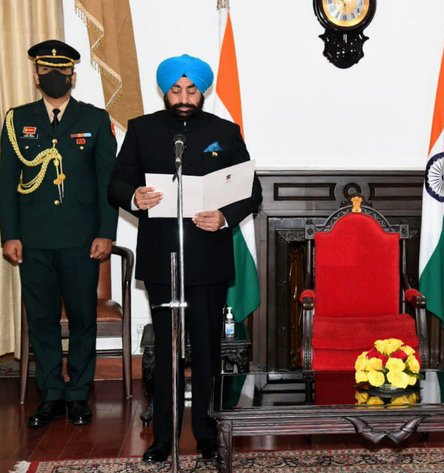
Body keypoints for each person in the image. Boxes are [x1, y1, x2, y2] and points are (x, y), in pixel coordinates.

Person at [108, 54, 262, 463]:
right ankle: (164, 439)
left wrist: (225, 216)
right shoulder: (142, 130)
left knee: (209, 350)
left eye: (191, 90)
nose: (183, 97)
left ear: (203, 90)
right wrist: (134, 197)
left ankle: (208, 434)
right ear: (164, 90)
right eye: (175, 90)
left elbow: (252, 192)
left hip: (208, 259)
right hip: (162, 259)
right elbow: (116, 183)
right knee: (168, 350)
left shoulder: (225, 133)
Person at [0, 40, 118, 427]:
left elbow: (107, 184)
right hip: (32, 240)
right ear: (36, 76)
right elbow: (6, 182)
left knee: (83, 318)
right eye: (46, 71)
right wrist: (10, 234)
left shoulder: (95, 120)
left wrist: (106, 232)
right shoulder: (17, 120)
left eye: (61, 72)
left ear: (73, 76)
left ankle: (78, 393)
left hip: (81, 240)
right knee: (42, 319)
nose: (53, 77)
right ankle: (50, 394)